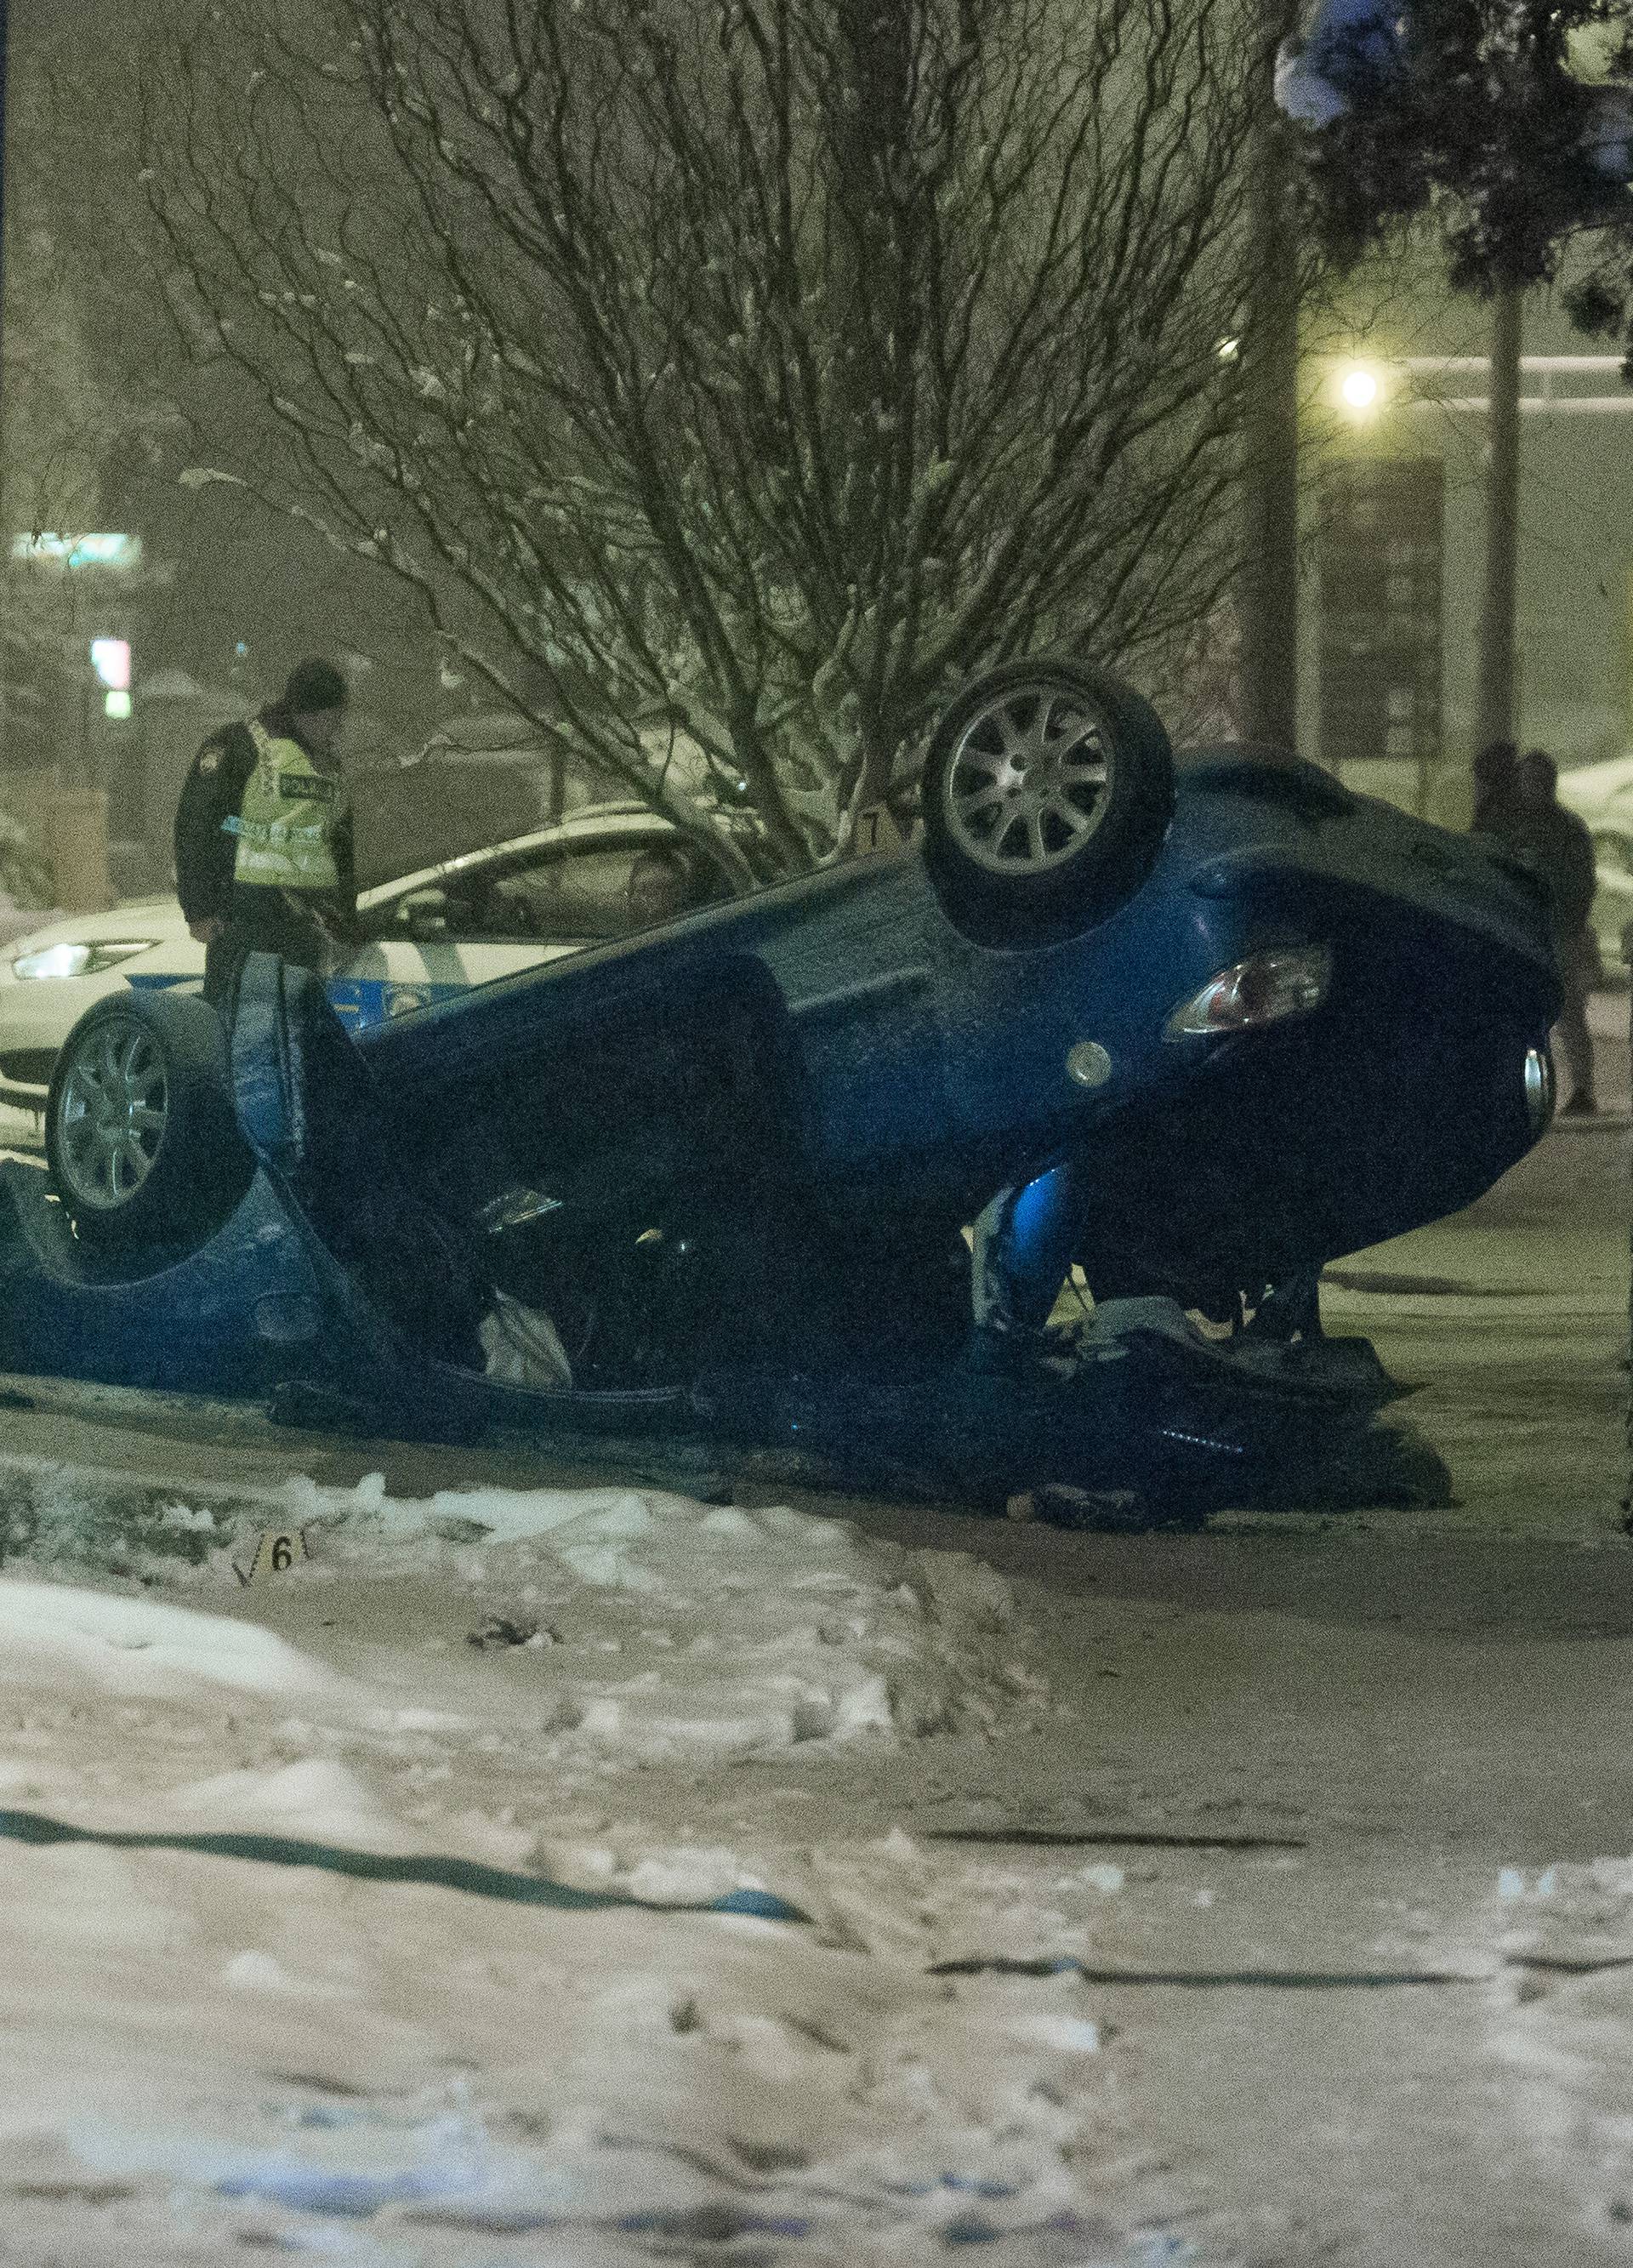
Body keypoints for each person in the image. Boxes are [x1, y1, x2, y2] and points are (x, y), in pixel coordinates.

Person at [175, 658, 356, 1011]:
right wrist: (199, 909)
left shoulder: (328, 765)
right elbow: (197, 827)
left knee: (294, 1033)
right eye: (333, 718)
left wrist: (345, 920)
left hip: (306, 924)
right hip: (243, 919)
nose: (338, 729)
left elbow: (339, 844)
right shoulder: (239, 746)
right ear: (310, 713)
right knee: (241, 1025)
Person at [1496, 748, 1600, 1115]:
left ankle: (1579, 1089)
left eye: (1538, 779)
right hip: (1534, 932)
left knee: (1566, 1013)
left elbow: (1582, 884)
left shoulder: (1554, 829)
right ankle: (1557, 1089)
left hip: (1552, 933)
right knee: (1554, 1015)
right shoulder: (1521, 827)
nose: (1534, 786)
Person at [623, 841, 714, 930]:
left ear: (682, 892)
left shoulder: (697, 924)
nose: (658, 900)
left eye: (667, 888)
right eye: (646, 890)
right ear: (630, 893)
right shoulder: (620, 931)